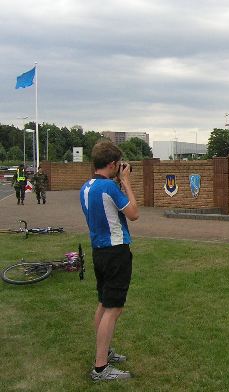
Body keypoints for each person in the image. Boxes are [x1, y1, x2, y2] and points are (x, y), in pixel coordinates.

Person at [80, 140, 139, 381]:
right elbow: (134, 214)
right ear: (113, 164)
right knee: (114, 308)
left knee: (104, 303)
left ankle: (103, 352)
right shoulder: (110, 188)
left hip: (99, 251)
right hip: (116, 252)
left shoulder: (87, 186)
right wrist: (126, 182)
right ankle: (101, 368)